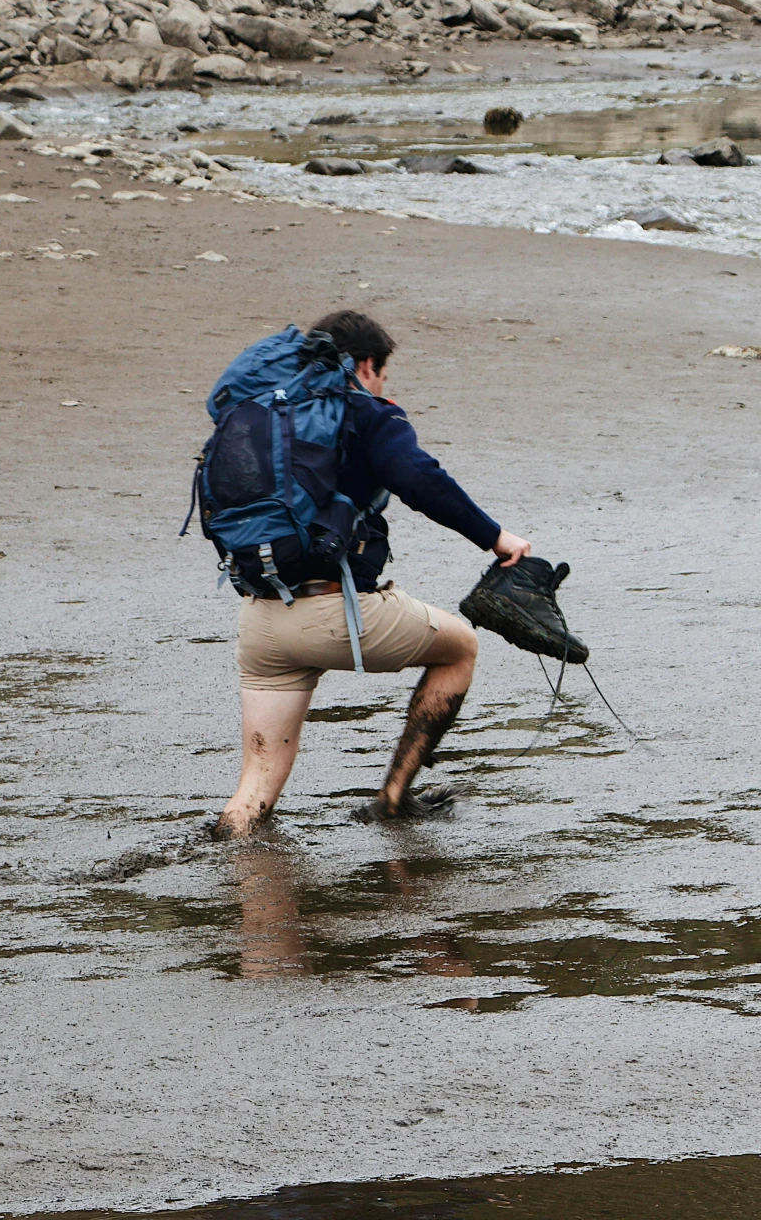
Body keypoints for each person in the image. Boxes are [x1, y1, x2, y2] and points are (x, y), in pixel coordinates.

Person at [216, 311, 530, 836]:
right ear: (365, 365)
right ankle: (393, 796)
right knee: (461, 648)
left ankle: (224, 865)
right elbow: (418, 477)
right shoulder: (366, 412)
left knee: (254, 791)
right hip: (334, 613)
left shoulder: (269, 414)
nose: (384, 383)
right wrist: (496, 537)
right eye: (383, 372)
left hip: (261, 619)